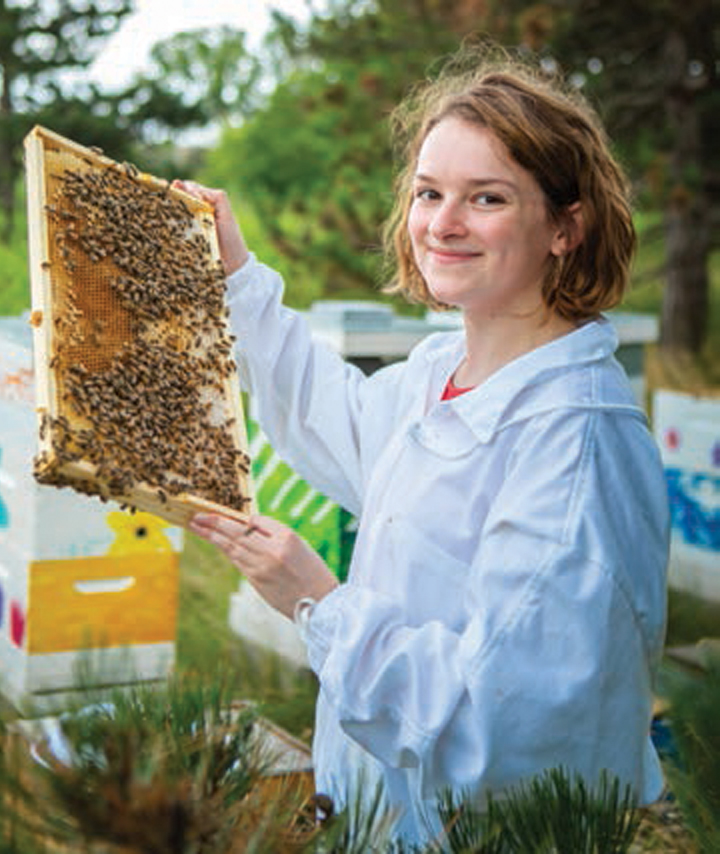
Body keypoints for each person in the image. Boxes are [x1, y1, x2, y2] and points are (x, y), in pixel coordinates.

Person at [175, 45, 670, 845]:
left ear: (565, 227)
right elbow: (327, 415)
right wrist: (235, 272)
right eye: (429, 192)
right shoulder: (444, 369)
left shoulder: (575, 445)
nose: (443, 222)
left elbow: (500, 723)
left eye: (487, 198)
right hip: (379, 816)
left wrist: (320, 603)